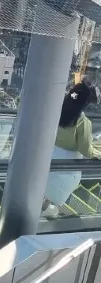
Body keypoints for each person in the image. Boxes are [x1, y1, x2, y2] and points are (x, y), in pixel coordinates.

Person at [43, 81, 100, 218]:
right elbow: (86, 149)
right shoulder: (82, 121)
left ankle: (41, 210)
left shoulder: (56, 110)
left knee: (45, 188)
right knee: (56, 193)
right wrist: (97, 153)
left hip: (47, 156)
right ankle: (46, 214)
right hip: (68, 163)